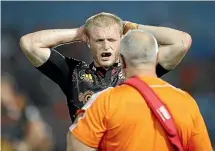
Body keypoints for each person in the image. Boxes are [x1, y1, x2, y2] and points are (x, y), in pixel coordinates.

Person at [19, 12, 192, 121]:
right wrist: (78, 33)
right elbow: (29, 44)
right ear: (89, 42)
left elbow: (182, 42)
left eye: (112, 40)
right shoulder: (73, 73)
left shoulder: (138, 69)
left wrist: (134, 28)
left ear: (122, 40)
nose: (106, 46)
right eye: (99, 40)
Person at [67, 30, 212, 151]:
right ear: (156, 58)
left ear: (122, 61)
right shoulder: (187, 103)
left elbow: (76, 146)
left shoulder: (104, 102)